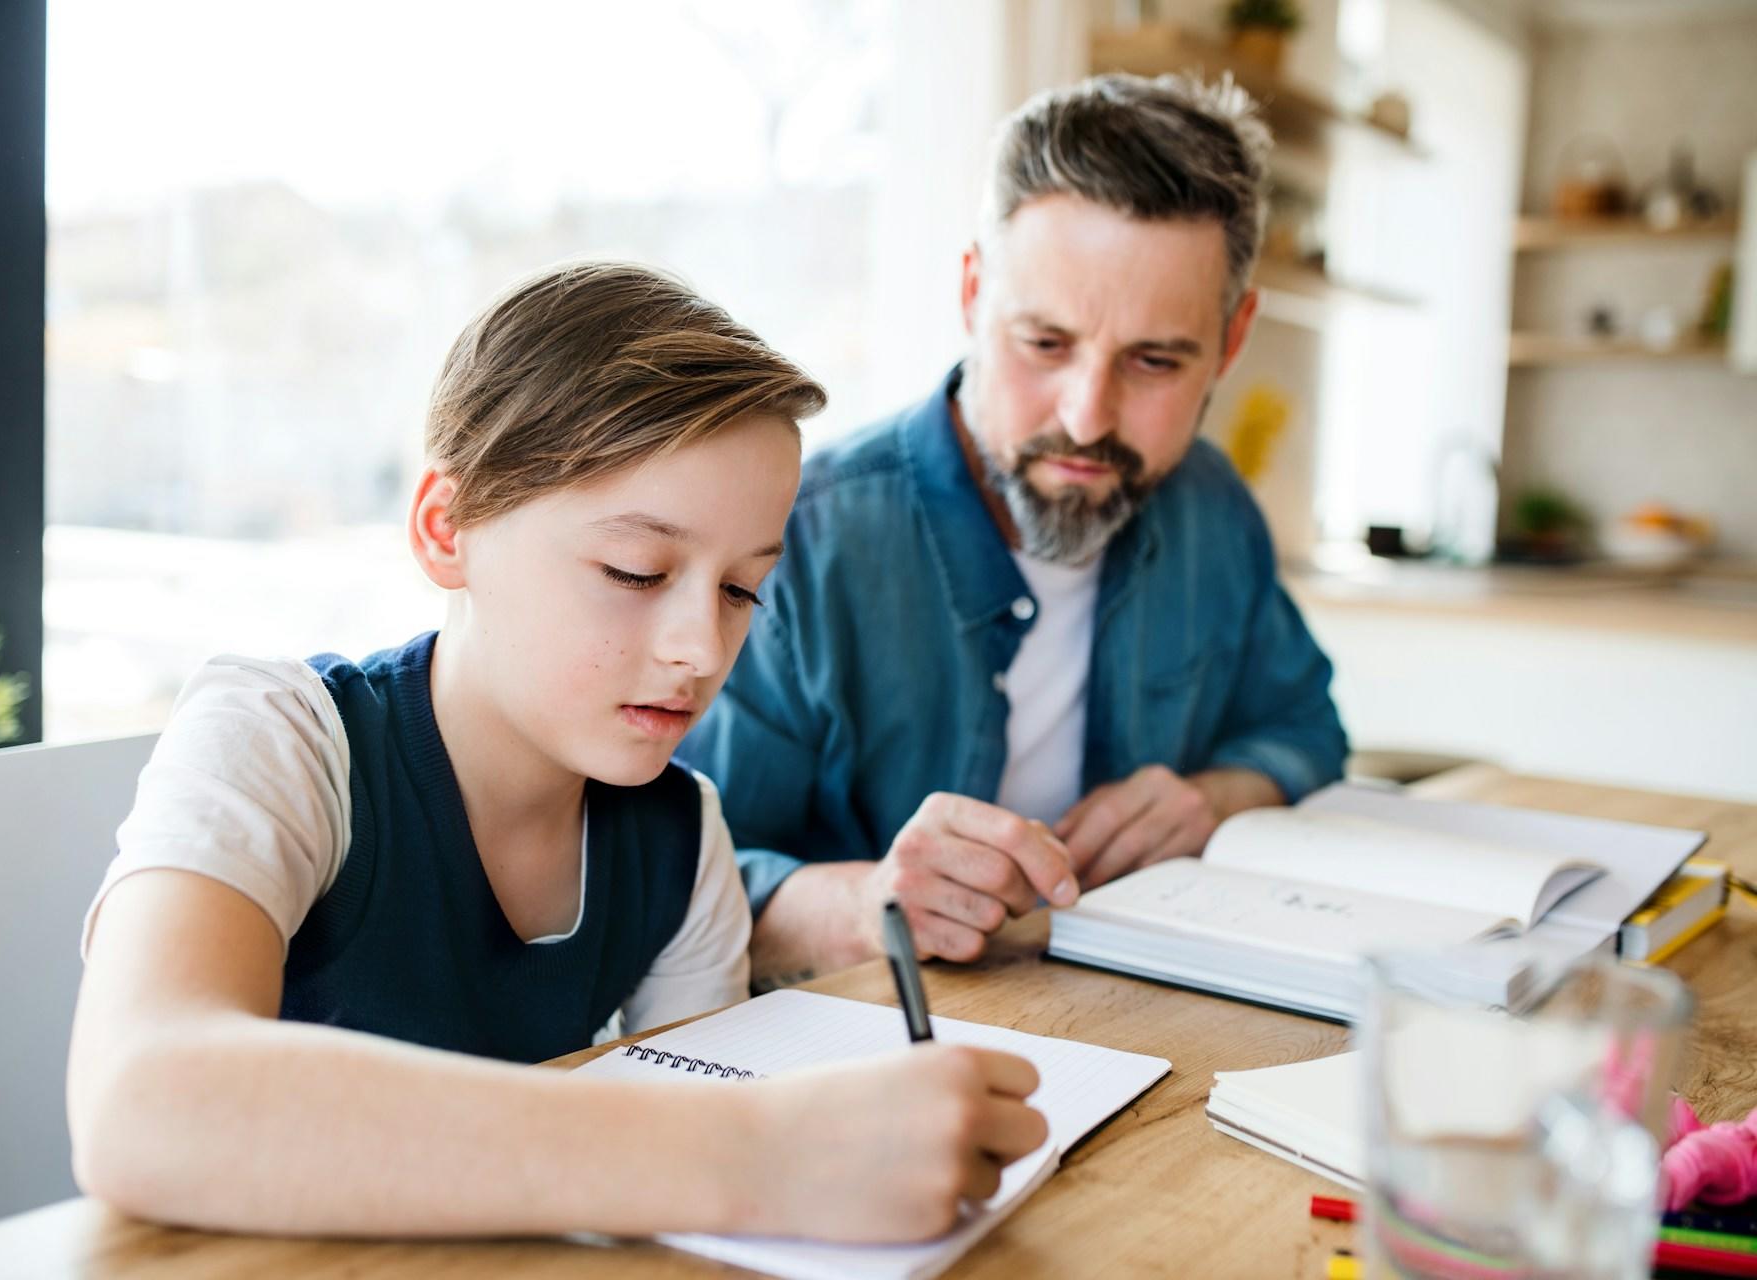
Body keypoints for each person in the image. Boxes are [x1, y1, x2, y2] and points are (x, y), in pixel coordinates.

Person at [67, 262, 1048, 1244]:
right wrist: (756, 1149)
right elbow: (138, 1097)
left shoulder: (680, 834)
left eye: (741, 590)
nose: (700, 650)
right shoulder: (279, 737)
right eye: (636, 570)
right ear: (446, 529)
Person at [680, 74, 1349, 983]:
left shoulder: (1211, 507)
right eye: (1045, 344)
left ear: (1230, 341)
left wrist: (1217, 797)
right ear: (971, 294)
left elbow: (1304, 726)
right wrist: (867, 904)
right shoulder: (797, 541)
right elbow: (661, 871)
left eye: (1154, 361)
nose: (1084, 418)